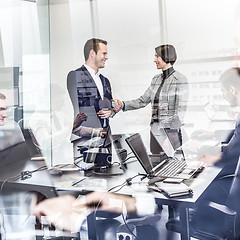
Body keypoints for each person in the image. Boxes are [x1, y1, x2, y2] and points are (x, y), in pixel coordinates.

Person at [113, 44, 188, 153]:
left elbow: (180, 112)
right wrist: (123, 104)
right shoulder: (156, 79)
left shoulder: (180, 79)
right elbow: (142, 101)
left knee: (174, 165)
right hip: (155, 132)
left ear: (166, 57)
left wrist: (171, 136)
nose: (154, 60)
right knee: (156, 163)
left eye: (157, 56)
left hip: (171, 132)